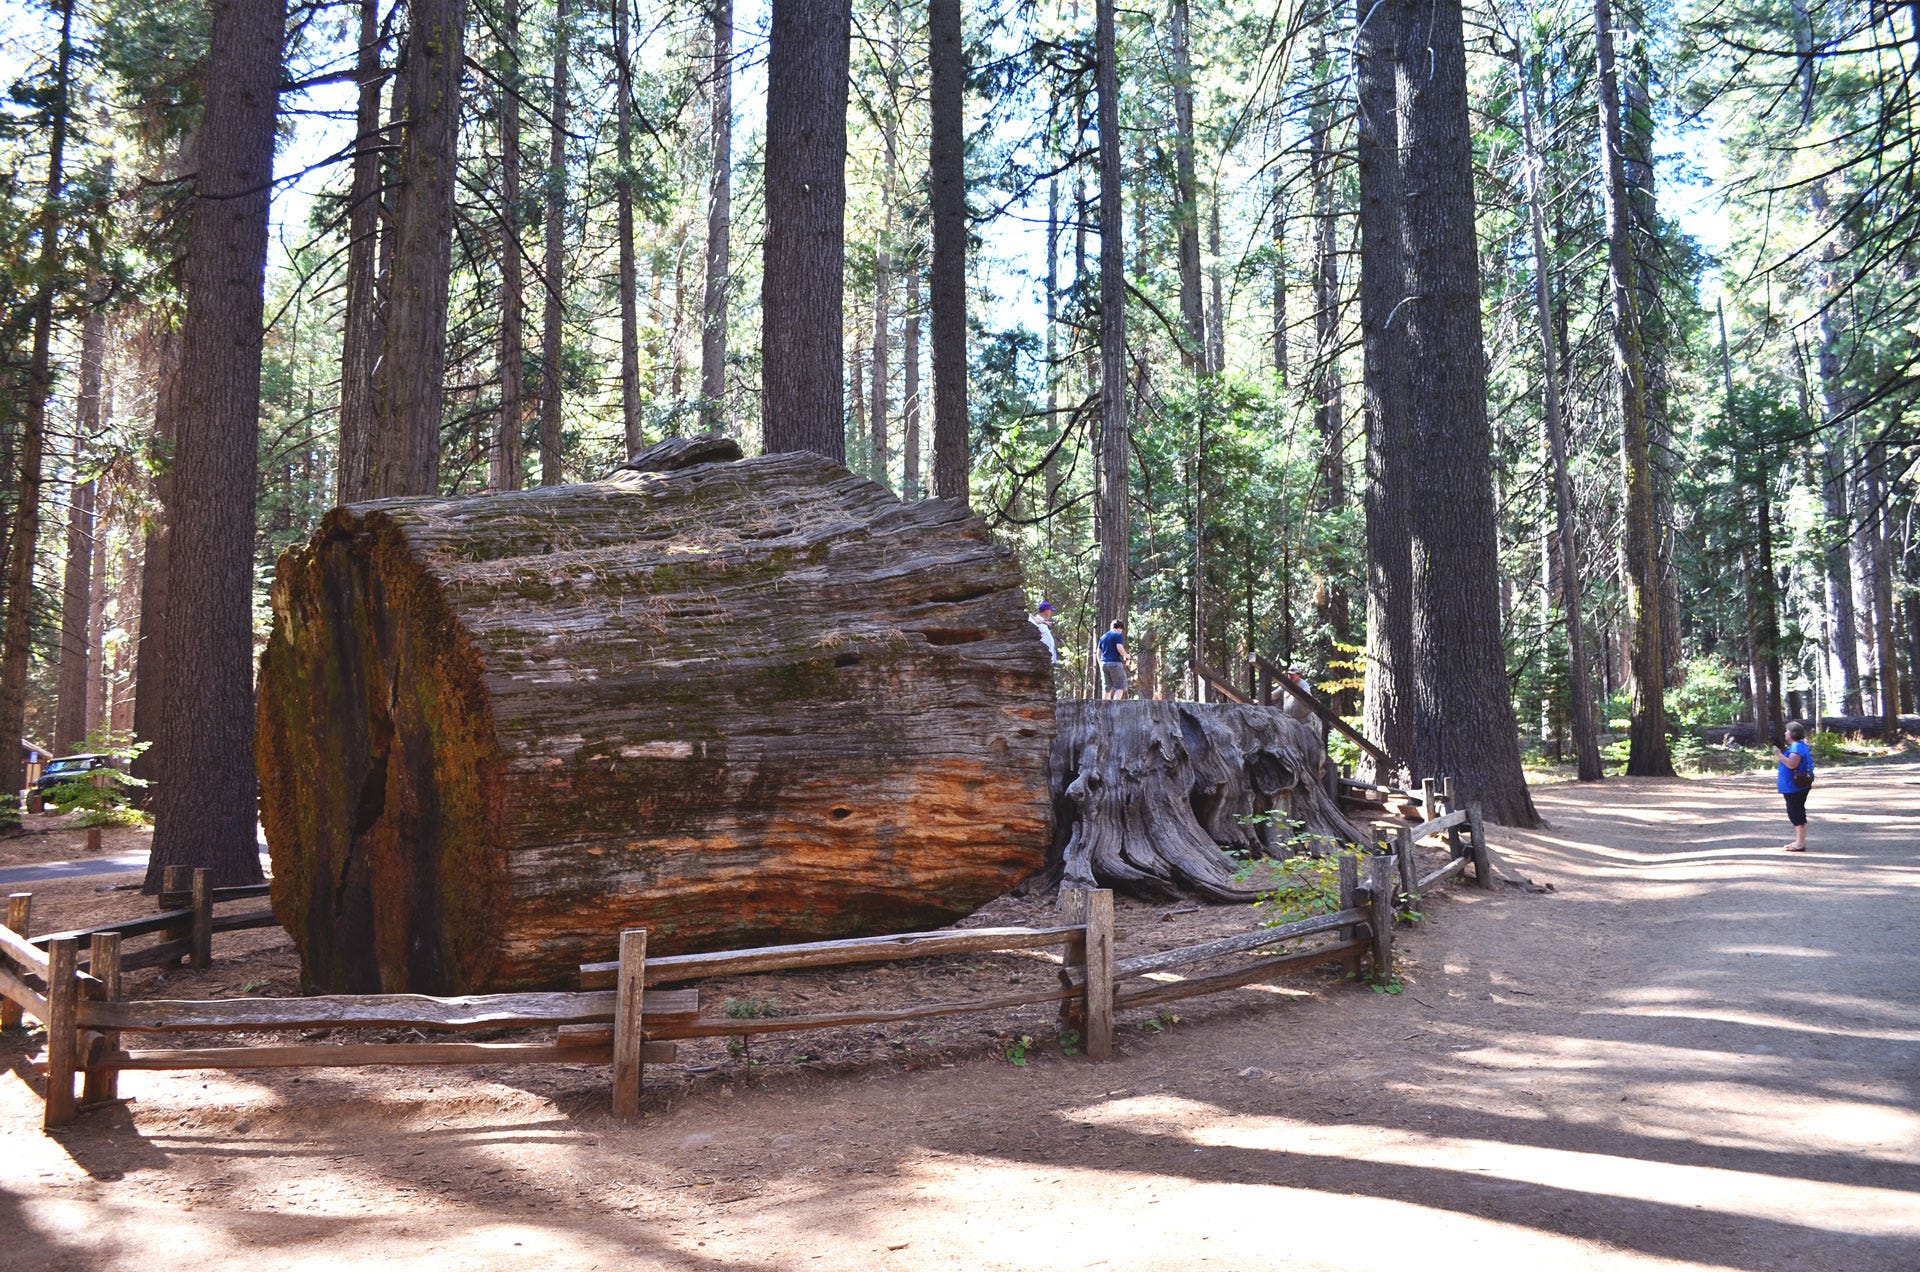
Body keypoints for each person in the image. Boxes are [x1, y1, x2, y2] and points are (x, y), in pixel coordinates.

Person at [1772, 721, 1815, 852]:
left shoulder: (1796, 747)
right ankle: (1799, 841)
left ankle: (1800, 843)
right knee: (1797, 812)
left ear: (1792, 734)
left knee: (1796, 813)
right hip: (1795, 786)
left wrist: (1779, 754)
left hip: (1795, 787)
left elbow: (1792, 764)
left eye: (1787, 731)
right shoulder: (1798, 746)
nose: (1785, 733)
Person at [1097, 620, 1135, 700]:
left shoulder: (1103, 637)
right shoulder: (1117, 635)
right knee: (1120, 685)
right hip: (1114, 663)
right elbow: (1119, 648)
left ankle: (1105, 708)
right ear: (1120, 628)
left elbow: (1098, 653)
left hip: (1104, 663)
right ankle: (1115, 706)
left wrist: (1100, 663)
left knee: (1106, 687)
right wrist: (1127, 655)